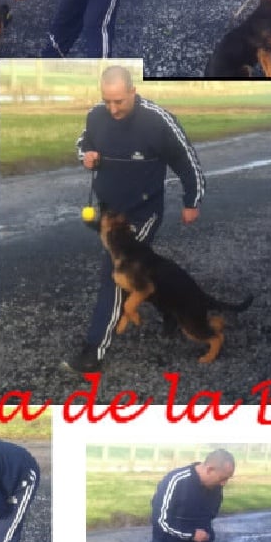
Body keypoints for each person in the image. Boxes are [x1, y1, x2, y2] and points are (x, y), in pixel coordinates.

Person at [62, 65, 205, 374]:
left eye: (119, 101)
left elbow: (186, 159)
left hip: (142, 213)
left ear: (132, 92)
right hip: (108, 211)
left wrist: (192, 200)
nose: (112, 109)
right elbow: (84, 142)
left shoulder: (157, 120)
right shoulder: (96, 115)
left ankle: (93, 352)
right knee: (142, 273)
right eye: (107, 101)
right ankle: (169, 309)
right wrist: (86, 156)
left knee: (115, 275)